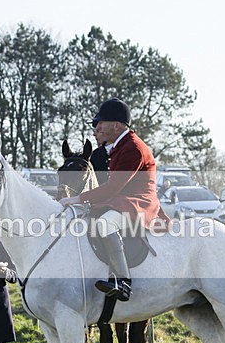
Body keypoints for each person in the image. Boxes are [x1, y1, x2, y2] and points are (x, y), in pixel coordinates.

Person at [59, 98, 168, 302]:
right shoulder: (120, 145)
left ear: (116, 125)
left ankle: (123, 281)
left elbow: (112, 187)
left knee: (104, 224)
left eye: (101, 123)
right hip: (124, 200)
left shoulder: (133, 148)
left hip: (139, 203)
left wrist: (77, 199)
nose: (97, 127)